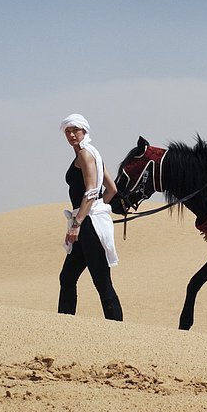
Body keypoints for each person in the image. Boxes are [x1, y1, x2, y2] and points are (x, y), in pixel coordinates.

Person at [58, 113, 123, 321]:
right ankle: (64, 325)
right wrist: (96, 210)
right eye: (67, 131)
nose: (71, 135)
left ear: (84, 131)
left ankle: (118, 331)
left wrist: (79, 222)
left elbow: (91, 192)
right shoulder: (93, 154)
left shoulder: (86, 155)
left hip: (87, 226)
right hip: (87, 222)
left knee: (102, 281)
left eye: (75, 130)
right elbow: (111, 189)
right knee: (67, 277)